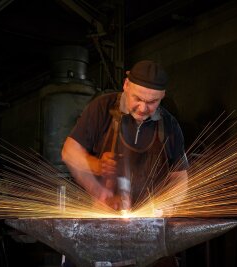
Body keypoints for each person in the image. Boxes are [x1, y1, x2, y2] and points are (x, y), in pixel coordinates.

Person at [61, 59, 189, 212]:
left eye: (152, 102)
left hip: (148, 219)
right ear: (126, 85)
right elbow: (69, 152)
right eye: (138, 98)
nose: (142, 108)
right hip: (103, 216)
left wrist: (166, 205)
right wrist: (97, 171)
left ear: (162, 96)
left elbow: (180, 178)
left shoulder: (169, 125)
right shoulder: (102, 108)